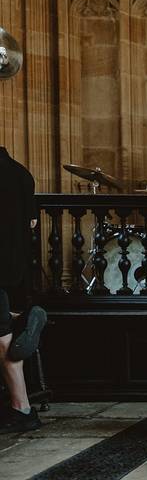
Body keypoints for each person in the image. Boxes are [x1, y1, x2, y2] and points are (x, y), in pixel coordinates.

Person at [0, 146, 45, 433]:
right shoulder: (22, 174)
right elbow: (32, 222)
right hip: (15, 273)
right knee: (4, 337)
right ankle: (21, 320)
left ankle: (22, 408)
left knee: (3, 342)